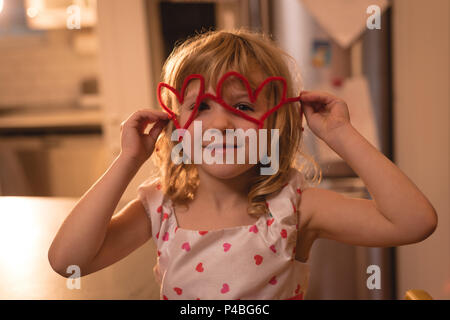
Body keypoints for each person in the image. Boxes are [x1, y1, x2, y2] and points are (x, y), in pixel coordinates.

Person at [48, 29, 437, 300]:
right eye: (200, 107)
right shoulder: (161, 208)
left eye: (243, 106)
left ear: (275, 123)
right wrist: (128, 160)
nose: (219, 123)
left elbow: (414, 222)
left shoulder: (294, 207)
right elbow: (68, 264)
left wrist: (339, 134)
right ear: (176, 125)